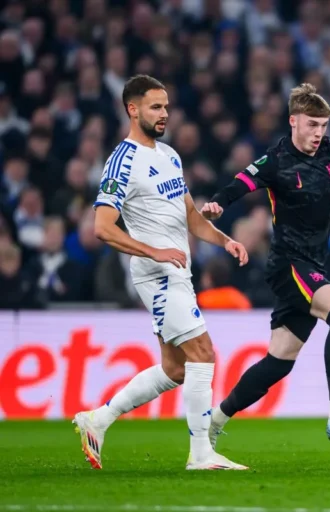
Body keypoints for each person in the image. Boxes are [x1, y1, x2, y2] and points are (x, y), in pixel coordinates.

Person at [73, 75, 250, 470]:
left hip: (178, 271)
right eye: (155, 107)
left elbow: (189, 214)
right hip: (156, 275)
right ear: (132, 109)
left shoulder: (169, 154)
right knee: (204, 353)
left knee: (175, 368)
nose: (164, 114)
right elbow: (103, 227)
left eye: (166, 106)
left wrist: (225, 241)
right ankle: (201, 453)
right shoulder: (122, 160)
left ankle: (97, 420)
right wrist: (154, 250)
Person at [201, 83, 330, 445]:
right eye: (312, 124)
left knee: (278, 362)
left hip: (313, 266)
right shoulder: (276, 160)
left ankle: (213, 422)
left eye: (324, 125)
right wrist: (218, 203)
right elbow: (239, 184)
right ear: (293, 121)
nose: (318, 133)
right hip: (287, 265)